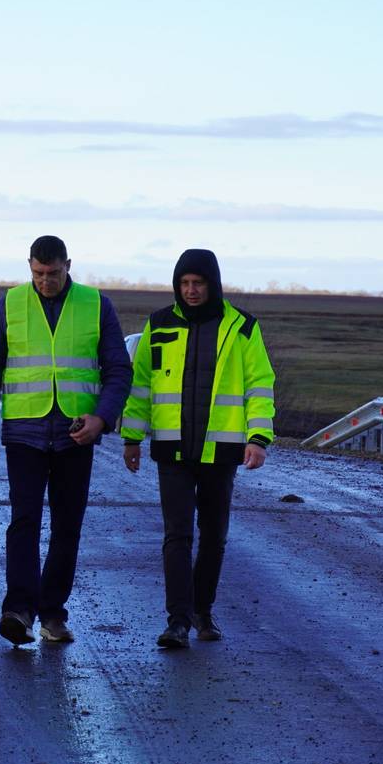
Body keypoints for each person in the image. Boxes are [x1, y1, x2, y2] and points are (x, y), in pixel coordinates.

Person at [0, 235, 132, 646]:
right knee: (24, 521)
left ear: (68, 265)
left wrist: (103, 418)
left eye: (53, 273)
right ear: (29, 266)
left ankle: (52, 614)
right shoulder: (10, 304)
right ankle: (18, 610)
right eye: (38, 273)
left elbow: (118, 371)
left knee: (67, 527)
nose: (45, 281)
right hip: (25, 431)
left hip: (78, 435)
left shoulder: (96, 305)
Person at [121, 249, 275, 648]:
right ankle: (178, 621)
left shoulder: (240, 327)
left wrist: (258, 439)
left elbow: (259, 386)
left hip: (221, 450)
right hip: (171, 448)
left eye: (198, 283)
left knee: (213, 536)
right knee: (176, 535)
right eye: (184, 284)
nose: (190, 291)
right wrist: (132, 438)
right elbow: (141, 388)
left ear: (212, 284)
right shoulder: (158, 324)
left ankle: (203, 611)